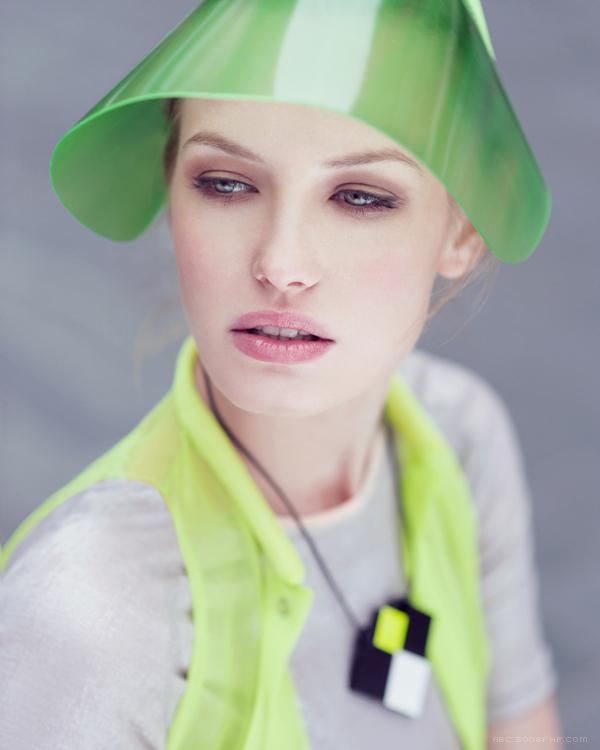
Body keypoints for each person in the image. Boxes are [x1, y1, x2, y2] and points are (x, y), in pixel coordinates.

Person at [1, 1, 562, 748]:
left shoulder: (460, 434)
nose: (280, 264)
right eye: (226, 184)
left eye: (360, 197)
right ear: (171, 193)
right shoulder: (87, 607)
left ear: (461, 229)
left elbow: (519, 727)